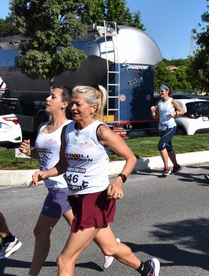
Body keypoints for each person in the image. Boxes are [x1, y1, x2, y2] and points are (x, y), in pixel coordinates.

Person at [31, 85, 160, 275]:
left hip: (96, 199)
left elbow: (131, 158)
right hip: (76, 198)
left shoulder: (100, 131)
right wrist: (45, 173)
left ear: (92, 107)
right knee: (110, 248)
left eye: (78, 104)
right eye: (72, 103)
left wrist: (118, 181)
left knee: (65, 260)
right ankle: (146, 268)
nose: (73, 107)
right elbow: (63, 165)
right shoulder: (67, 130)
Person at [19, 86, 115, 274]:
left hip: (65, 187)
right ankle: (113, 248)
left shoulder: (70, 129)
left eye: (52, 96)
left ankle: (112, 248)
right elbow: (44, 158)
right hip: (53, 186)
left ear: (64, 104)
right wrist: (28, 153)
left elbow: (71, 160)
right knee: (45, 231)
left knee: (64, 241)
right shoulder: (43, 127)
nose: (47, 98)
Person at [150, 84, 184, 176]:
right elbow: (156, 117)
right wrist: (153, 111)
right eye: (159, 91)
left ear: (167, 91)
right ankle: (176, 166)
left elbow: (182, 111)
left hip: (171, 127)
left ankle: (166, 168)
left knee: (161, 146)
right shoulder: (159, 102)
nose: (160, 92)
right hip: (162, 127)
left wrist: (175, 113)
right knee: (168, 148)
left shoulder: (172, 101)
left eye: (162, 91)